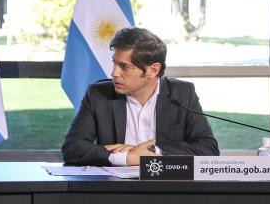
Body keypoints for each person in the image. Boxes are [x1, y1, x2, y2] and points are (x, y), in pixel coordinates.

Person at [62, 27, 219, 166]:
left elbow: (208, 149)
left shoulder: (182, 94)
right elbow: (72, 148)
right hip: (114, 189)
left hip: (168, 187)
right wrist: (126, 158)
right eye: (114, 63)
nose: (114, 73)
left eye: (125, 67)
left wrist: (152, 152)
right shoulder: (98, 94)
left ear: (153, 70)